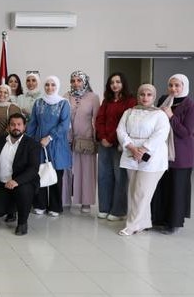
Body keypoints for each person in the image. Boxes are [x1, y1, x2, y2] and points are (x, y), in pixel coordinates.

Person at [117, 84, 170, 236]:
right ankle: (143, 222)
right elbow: (120, 130)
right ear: (138, 96)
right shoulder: (129, 112)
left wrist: (143, 149)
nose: (145, 97)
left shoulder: (160, 115)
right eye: (142, 94)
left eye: (149, 94)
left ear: (154, 97)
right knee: (134, 190)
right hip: (131, 154)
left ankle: (132, 225)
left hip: (153, 157)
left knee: (141, 192)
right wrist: (132, 147)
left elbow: (161, 133)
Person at [152, 74, 194, 234]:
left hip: (181, 154)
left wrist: (171, 116)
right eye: (171, 85)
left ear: (184, 86)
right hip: (162, 151)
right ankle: (159, 219)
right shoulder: (164, 100)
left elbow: (186, 132)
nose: (173, 89)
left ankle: (173, 223)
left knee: (177, 188)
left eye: (177, 85)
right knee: (162, 186)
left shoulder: (190, 105)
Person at [0, 113, 40, 236]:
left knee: (23, 191)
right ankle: (12, 208)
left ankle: (22, 223)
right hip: (3, 184)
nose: (16, 127)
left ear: (24, 127)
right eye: (12, 124)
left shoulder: (32, 144)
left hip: (23, 183)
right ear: (8, 127)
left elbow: (33, 169)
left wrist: (16, 181)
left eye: (19, 124)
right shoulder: (1, 140)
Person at [27, 76, 71, 217]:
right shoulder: (38, 102)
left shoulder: (64, 103)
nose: (50, 87)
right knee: (39, 173)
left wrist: (50, 137)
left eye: (53, 85)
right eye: (47, 84)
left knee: (56, 175)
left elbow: (64, 124)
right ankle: (39, 204)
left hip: (57, 144)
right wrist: (28, 141)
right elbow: (33, 123)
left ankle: (55, 207)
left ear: (57, 86)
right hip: (39, 143)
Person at [95, 72, 136, 221]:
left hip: (120, 144)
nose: (115, 85)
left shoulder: (131, 101)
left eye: (118, 82)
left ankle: (119, 211)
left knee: (120, 177)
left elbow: (126, 123)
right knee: (104, 175)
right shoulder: (107, 101)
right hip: (104, 143)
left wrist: (111, 138)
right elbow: (99, 119)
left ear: (123, 83)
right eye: (112, 82)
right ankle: (104, 208)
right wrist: (103, 137)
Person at [64, 70, 100, 213]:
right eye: (73, 81)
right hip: (67, 140)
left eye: (79, 80)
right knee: (66, 171)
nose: (76, 83)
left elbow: (96, 120)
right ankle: (65, 200)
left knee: (86, 171)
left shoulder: (93, 97)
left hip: (86, 140)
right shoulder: (66, 96)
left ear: (85, 82)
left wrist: (95, 141)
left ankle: (86, 202)